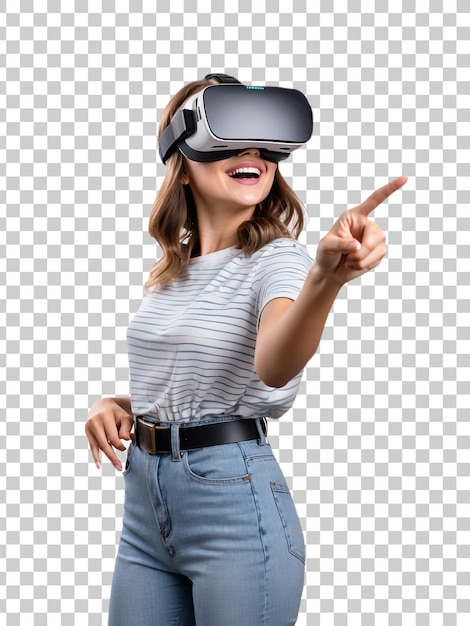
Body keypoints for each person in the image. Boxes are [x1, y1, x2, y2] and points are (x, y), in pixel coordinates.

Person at [85, 74, 407, 626]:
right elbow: (189, 378)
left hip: (233, 504)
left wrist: (325, 282)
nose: (252, 154)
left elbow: (273, 364)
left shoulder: (279, 261)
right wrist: (113, 404)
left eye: (265, 143)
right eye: (230, 138)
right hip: (143, 512)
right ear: (181, 156)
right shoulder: (170, 274)